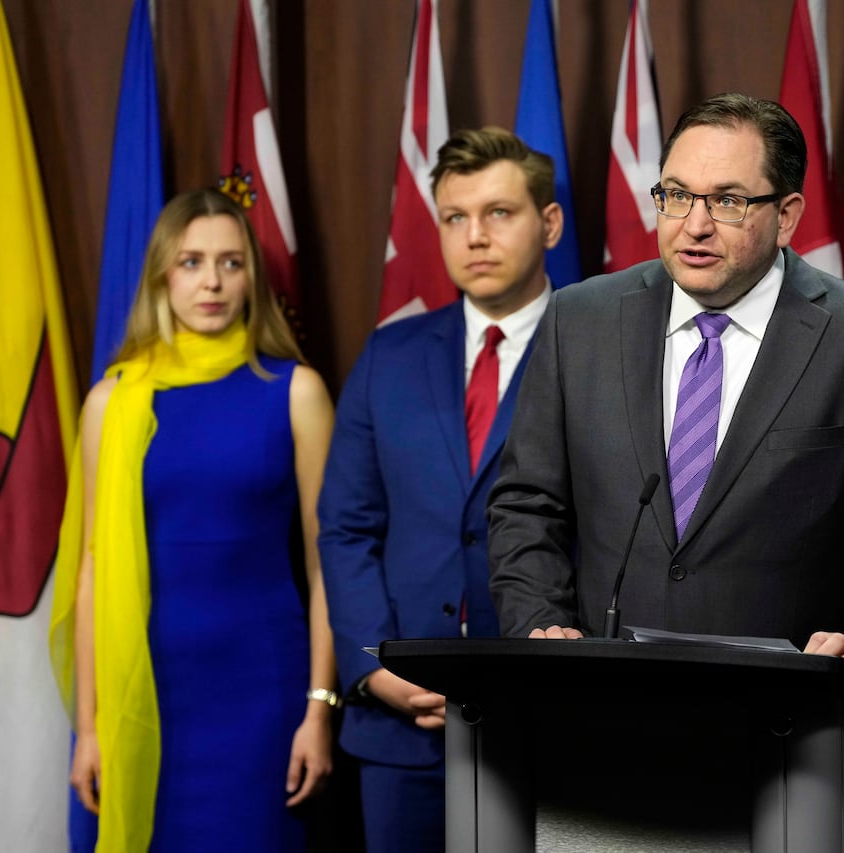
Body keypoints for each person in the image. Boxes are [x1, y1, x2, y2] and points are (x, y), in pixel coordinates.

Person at [486, 93, 844, 848]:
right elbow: (526, 503)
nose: (693, 223)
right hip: (599, 747)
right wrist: (539, 623)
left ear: (788, 214)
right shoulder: (580, 321)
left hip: (788, 756)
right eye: (676, 194)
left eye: (728, 200)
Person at [48, 188, 337, 851]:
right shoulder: (111, 402)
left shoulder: (297, 392)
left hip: (264, 690)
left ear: (251, 278)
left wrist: (319, 709)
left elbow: (329, 568)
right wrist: (90, 727)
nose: (212, 281)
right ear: (161, 274)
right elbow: (93, 569)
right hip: (145, 693)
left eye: (232, 263)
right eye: (192, 262)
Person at [317, 126, 564, 853]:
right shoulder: (388, 355)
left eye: (498, 213)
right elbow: (346, 528)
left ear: (548, 223)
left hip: (548, 721)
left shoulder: (598, 350)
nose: (474, 237)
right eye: (455, 218)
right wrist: (373, 666)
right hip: (403, 728)